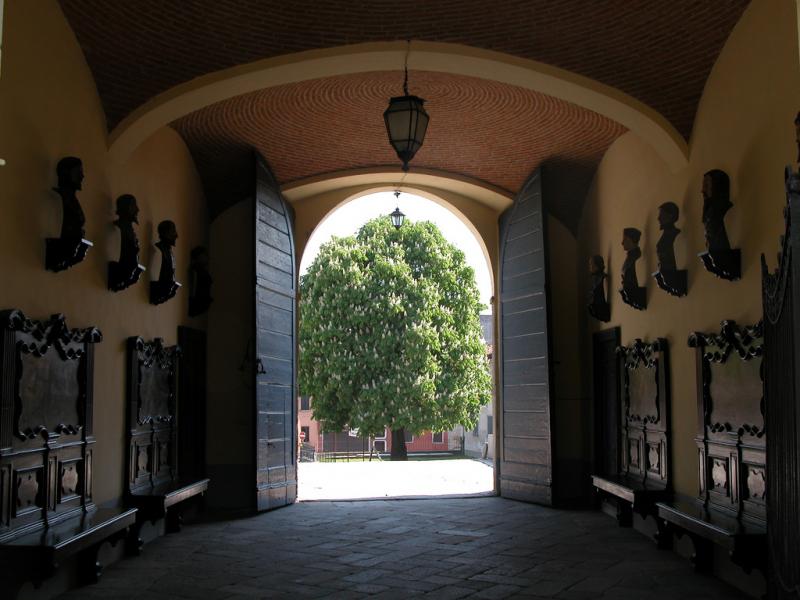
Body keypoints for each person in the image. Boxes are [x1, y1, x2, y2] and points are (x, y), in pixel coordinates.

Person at [656, 202, 680, 272]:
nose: (658, 218)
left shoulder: (673, 233)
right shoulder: (666, 234)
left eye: (661, 215)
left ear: (670, 215)